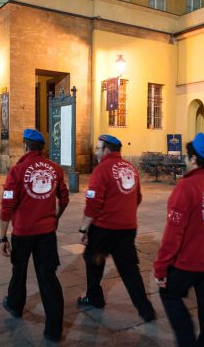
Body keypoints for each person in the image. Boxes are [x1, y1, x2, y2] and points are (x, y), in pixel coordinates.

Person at [153, 133, 204, 347]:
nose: (184, 161)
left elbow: (173, 233)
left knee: (169, 293)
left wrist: (161, 268)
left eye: (186, 157)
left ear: (193, 159)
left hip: (189, 261)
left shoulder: (186, 187)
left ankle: (187, 341)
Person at [0, 128, 69, 343]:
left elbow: (7, 205)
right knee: (48, 278)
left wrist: (2, 237)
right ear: (42, 148)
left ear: (25, 146)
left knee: (19, 271)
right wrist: (55, 217)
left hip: (22, 233)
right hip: (47, 233)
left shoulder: (17, 170)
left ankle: (15, 306)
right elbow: (64, 198)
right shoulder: (55, 169)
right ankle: (54, 331)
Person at [77, 134, 156, 322]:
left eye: (98, 148)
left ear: (106, 150)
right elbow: (137, 198)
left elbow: (93, 203)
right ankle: (145, 310)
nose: (96, 152)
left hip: (103, 229)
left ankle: (95, 298)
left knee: (93, 261)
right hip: (127, 229)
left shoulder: (101, 169)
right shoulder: (131, 168)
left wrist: (83, 229)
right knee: (130, 270)